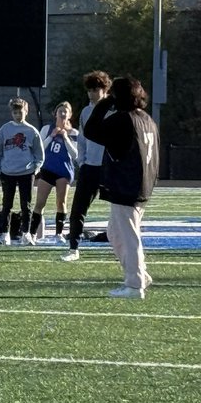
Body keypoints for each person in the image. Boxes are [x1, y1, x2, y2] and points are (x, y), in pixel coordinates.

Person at [82, 75, 159, 299]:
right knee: (115, 233)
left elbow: (91, 131)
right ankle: (140, 275)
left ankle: (134, 285)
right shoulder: (146, 119)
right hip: (139, 183)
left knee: (127, 235)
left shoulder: (124, 119)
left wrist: (104, 102)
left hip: (127, 184)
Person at [61, 71, 111, 261]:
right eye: (89, 90)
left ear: (104, 90)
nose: (92, 94)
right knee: (78, 209)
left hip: (108, 168)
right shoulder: (85, 112)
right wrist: (82, 161)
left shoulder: (113, 110)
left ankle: (119, 246)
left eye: (96, 89)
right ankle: (73, 247)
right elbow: (81, 140)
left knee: (118, 210)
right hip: (89, 167)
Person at [0, 97, 44, 246]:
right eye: (15, 112)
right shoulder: (5, 129)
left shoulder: (31, 131)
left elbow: (39, 154)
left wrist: (35, 168)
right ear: (11, 113)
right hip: (8, 173)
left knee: (26, 205)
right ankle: (4, 234)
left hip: (26, 173)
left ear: (26, 112)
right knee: (6, 204)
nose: (18, 115)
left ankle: (25, 234)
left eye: (20, 112)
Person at [29, 102, 79, 244]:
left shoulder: (74, 133)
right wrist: (51, 136)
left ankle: (59, 234)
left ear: (70, 115)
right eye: (60, 111)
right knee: (40, 202)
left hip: (64, 171)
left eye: (66, 111)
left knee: (61, 202)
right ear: (55, 113)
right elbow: (40, 148)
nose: (63, 114)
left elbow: (75, 155)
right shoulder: (47, 128)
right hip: (48, 169)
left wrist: (66, 138)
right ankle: (32, 233)